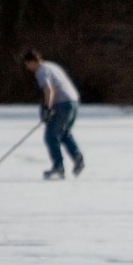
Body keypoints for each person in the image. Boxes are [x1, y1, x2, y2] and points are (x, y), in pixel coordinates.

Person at [21, 49, 84, 180]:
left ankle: (58, 167)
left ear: (32, 62)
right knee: (64, 133)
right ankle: (77, 157)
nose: (27, 68)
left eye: (27, 64)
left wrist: (47, 108)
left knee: (51, 136)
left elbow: (49, 90)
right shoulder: (51, 66)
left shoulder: (41, 71)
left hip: (63, 103)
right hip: (73, 102)